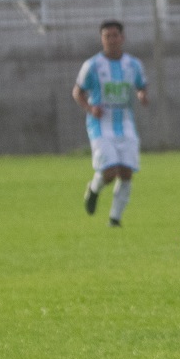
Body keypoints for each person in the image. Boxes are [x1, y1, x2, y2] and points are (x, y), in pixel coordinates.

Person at [75, 20, 148, 228]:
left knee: (126, 172)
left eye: (115, 35)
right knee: (110, 172)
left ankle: (115, 219)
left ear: (122, 38)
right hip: (101, 125)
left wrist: (142, 95)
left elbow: (141, 86)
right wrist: (90, 108)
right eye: (107, 36)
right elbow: (77, 92)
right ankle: (94, 189)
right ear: (102, 39)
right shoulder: (92, 66)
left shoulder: (133, 65)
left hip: (125, 123)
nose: (112, 40)